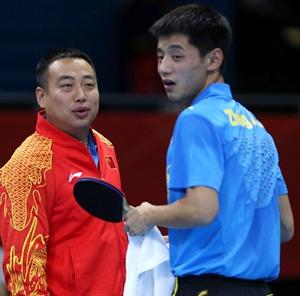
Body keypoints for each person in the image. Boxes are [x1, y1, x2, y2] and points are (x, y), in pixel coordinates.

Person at [125, 3, 294, 296]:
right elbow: (285, 227)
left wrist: (149, 215)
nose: (164, 67)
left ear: (213, 59)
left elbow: (201, 209)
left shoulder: (197, 118)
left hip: (207, 289)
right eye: (160, 56)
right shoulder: (257, 129)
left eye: (177, 56)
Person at [0, 48, 128, 295]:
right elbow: (23, 272)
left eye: (89, 85)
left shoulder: (106, 147)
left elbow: (104, 234)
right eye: (67, 86)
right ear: (42, 97)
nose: (81, 96)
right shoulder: (26, 166)